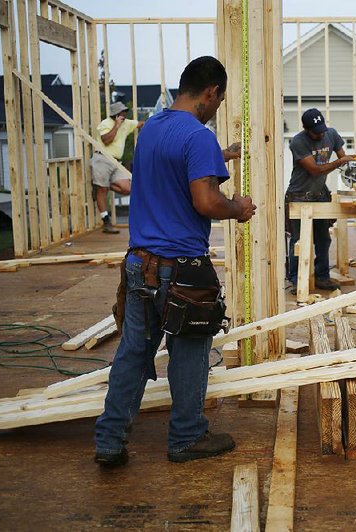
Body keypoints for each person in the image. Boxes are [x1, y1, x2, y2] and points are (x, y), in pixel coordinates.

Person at [94, 56, 256, 467]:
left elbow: (173, 163)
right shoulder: (198, 136)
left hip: (139, 263)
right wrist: (238, 208)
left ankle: (110, 442)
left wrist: (222, 155)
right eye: (218, 100)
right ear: (211, 93)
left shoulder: (150, 129)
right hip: (181, 269)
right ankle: (186, 438)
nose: (216, 107)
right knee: (188, 352)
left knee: (133, 352)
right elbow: (206, 200)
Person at [286, 108, 355, 294]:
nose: (320, 134)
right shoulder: (298, 142)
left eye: (322, 130)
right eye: (316, 131)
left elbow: (344, 160)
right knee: (299, 241)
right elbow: (315, 170)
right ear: (306, 129)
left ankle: (322, 276)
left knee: (323, 239)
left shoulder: (331, 134)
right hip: (299, 196)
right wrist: (338, 163)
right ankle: (295, 279)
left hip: (320, 194)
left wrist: (355, 173)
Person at [91, 101, 143, 233]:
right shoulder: (105, 124)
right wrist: (117, 126)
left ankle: (99, 186)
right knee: (102, 190)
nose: (124, 114)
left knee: (127, 188)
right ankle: (106, 221)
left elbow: (140, 124)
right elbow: (106, 140)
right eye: (122, 113)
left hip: (115, 162)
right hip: (102, 158)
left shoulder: (127, 123)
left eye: (125, 112)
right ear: (115, 115)